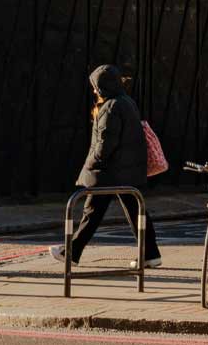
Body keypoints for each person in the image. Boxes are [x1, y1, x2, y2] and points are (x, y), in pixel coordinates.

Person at [55, 63, 158, 266]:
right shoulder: (127, 102)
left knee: (93, 212)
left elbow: (105, 143)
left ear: (102, 87)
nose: (94, 91)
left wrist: (91, 164)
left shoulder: (111, 107)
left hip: (110, 171)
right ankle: (151, 254)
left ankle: (71, 253)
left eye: (95, 87)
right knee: (135, 211)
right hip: (127, 170)